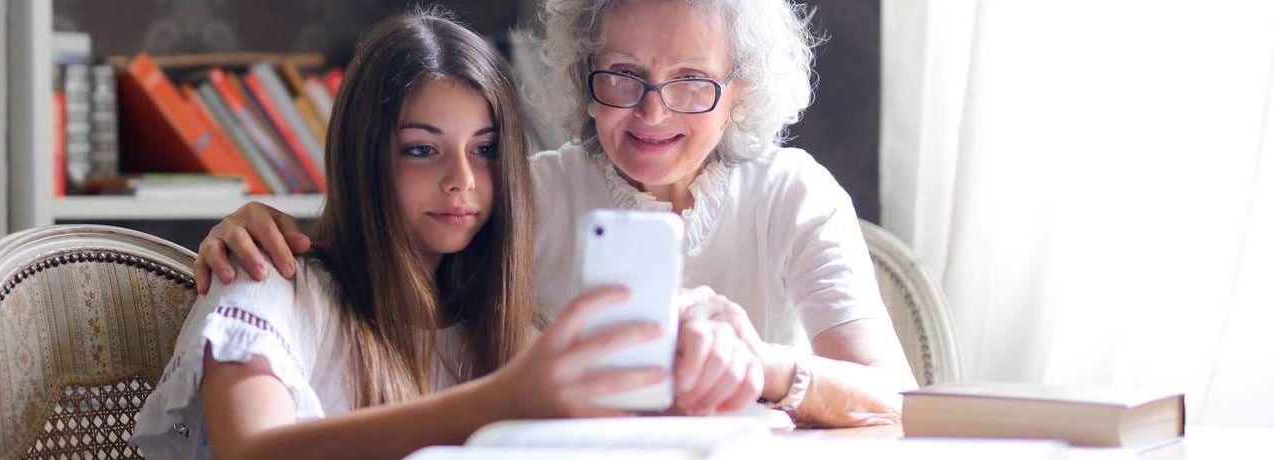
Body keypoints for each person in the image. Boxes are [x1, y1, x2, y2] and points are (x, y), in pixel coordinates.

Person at [195, 0, 916, 427]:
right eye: (624, 76)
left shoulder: (792, 191)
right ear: (582, 75)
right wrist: (252, 225)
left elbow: (896, 401)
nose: (652, 111)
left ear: (742, 92)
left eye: (692, 81)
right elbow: (386, 241)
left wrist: (764, 366)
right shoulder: (521, 192)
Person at [131, 10, 709, 459]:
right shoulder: (266, 283)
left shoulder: (505, 326)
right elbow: (251, 452)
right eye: (421, 150)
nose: (461, 181)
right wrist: (500, 402)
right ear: (365, 157)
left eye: (483, 151)